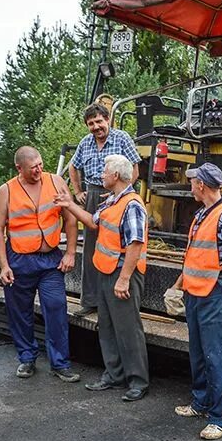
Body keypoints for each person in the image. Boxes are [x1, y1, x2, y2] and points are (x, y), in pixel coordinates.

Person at [55, 154, 149, 402]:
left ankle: (138, 381)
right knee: (107, 327)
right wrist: (69, 204)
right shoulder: (112, 202)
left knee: (128, 329)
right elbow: (93, 223)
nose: (101, 175)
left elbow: (135, 245)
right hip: (107, 271)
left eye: (105, 171)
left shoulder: (131, 205)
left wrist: (124, 278)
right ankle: (114, 375)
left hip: (121, 274)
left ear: (116, 176)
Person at [169, 163, 222, 440]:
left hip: (214, 292)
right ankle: (201, 403)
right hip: (197, 292)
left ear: (201, 185)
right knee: (200, 353)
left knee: (215, 356)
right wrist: (177, 286)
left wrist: (217, 270)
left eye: (192, 181)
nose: (190, 185)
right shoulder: (203, 214)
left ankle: (220, 417)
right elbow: (194, 256)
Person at [0, 147, 80, 383]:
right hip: (19, 260)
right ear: (19, 168)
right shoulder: (6, 191)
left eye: (40, 164)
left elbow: (70, 220)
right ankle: (27, 358)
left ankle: (60, 363)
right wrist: (4, 265)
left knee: (56, 306)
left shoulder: (56, 182)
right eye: (33, 168)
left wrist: (70, 253)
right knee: (19, 312)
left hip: (50, 258)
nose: (39, 170)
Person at [69, 102, 141, 316]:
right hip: (92, 194)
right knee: (92, 250)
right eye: (91, 123)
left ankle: (114, 300)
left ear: (107, 120)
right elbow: (74, 166)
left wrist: (120, 193)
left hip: (117, 196)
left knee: (117, 248)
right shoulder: (85, 143)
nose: (95, 126)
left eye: (99, 121)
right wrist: (78, 191)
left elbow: (135, 168)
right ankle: (90, 301)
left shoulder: (122, 138)